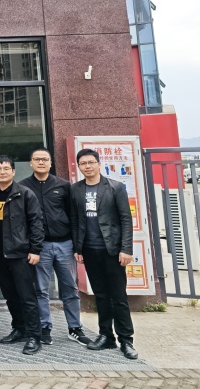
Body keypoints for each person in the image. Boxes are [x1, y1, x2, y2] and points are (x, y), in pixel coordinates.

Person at [70, 148, 138, 360]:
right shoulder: (76, 189)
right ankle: (106, 336)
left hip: (113, 250)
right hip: (90, 250)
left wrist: (126, 249)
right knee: (100, 295)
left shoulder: (115, 187)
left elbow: (126, 219)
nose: (87, 166)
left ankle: (126, 340)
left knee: (118, 296)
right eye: (83, 163)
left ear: (99, 164)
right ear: (79, 167)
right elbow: (75, 220)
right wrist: (77, 248)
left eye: (91, 162)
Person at [20, 147, 90, 346]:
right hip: (39, 246)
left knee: (70, 288)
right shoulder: (23, 187)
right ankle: (44, 327)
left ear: (51, 163)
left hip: (64, 244)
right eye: (37, 159)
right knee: (40, 290)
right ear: (31, 163)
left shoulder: (64, 186)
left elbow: (74, 216)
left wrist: (77, 245)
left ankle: (75, 328)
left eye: (45, 159)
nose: (41, 162)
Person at [0, 156, 44, 355]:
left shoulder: (25, 193)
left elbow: (36, 222)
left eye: (6, 168)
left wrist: (35, 250)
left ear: (13, 171)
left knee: (27, 296)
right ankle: (19, 328)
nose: (2, 172)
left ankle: (34, 336)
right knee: (10, 296)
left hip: (20, 253)